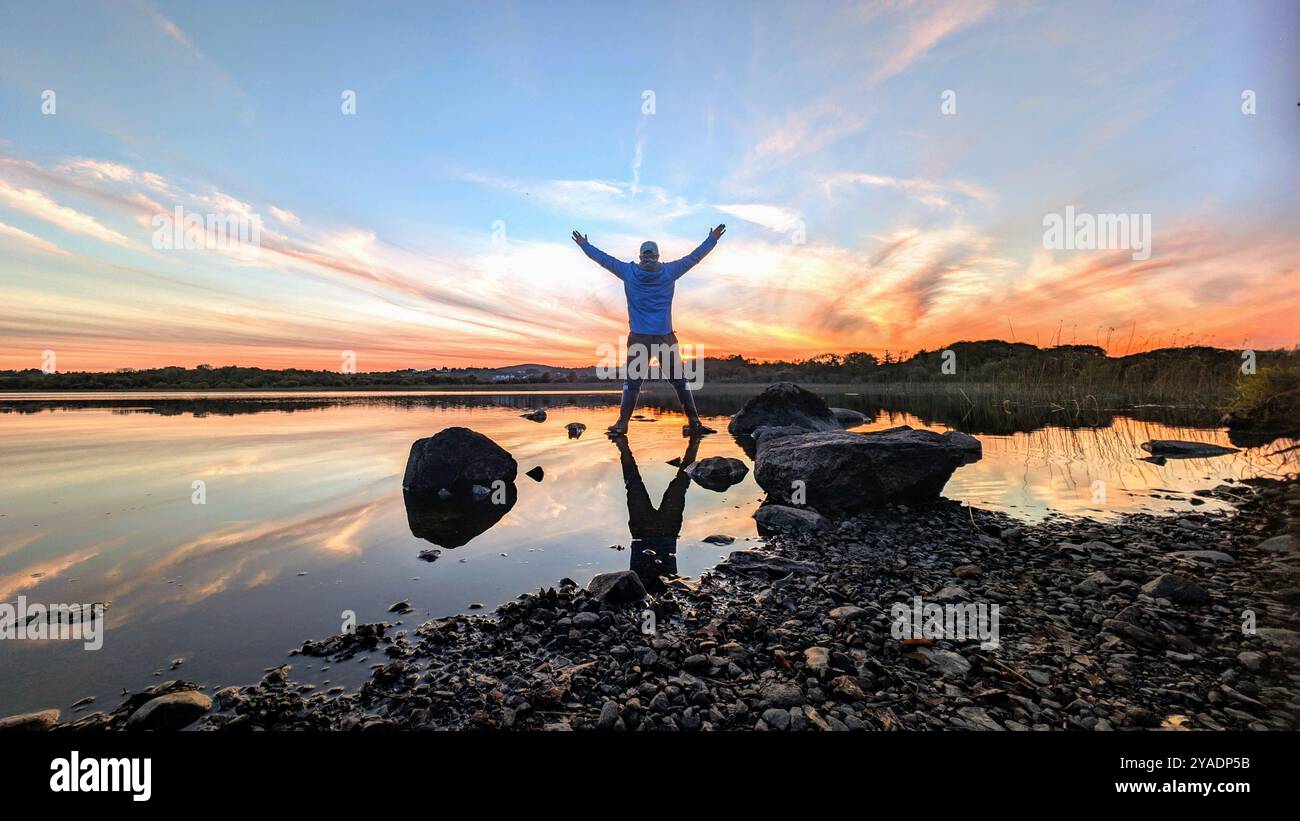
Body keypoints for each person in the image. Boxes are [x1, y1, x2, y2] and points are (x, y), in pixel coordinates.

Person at [572, 224, 726, 435]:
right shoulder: (669, 271)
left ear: (641, 256)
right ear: (657, 255)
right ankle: (695, 423)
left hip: (639, 337)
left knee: (633, 383)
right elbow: (694, 258)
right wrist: (712, 239)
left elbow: (604, 260)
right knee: (679, 381)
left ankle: (622, 425)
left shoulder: (629, 271)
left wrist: (584, 245)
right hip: (665, 336)